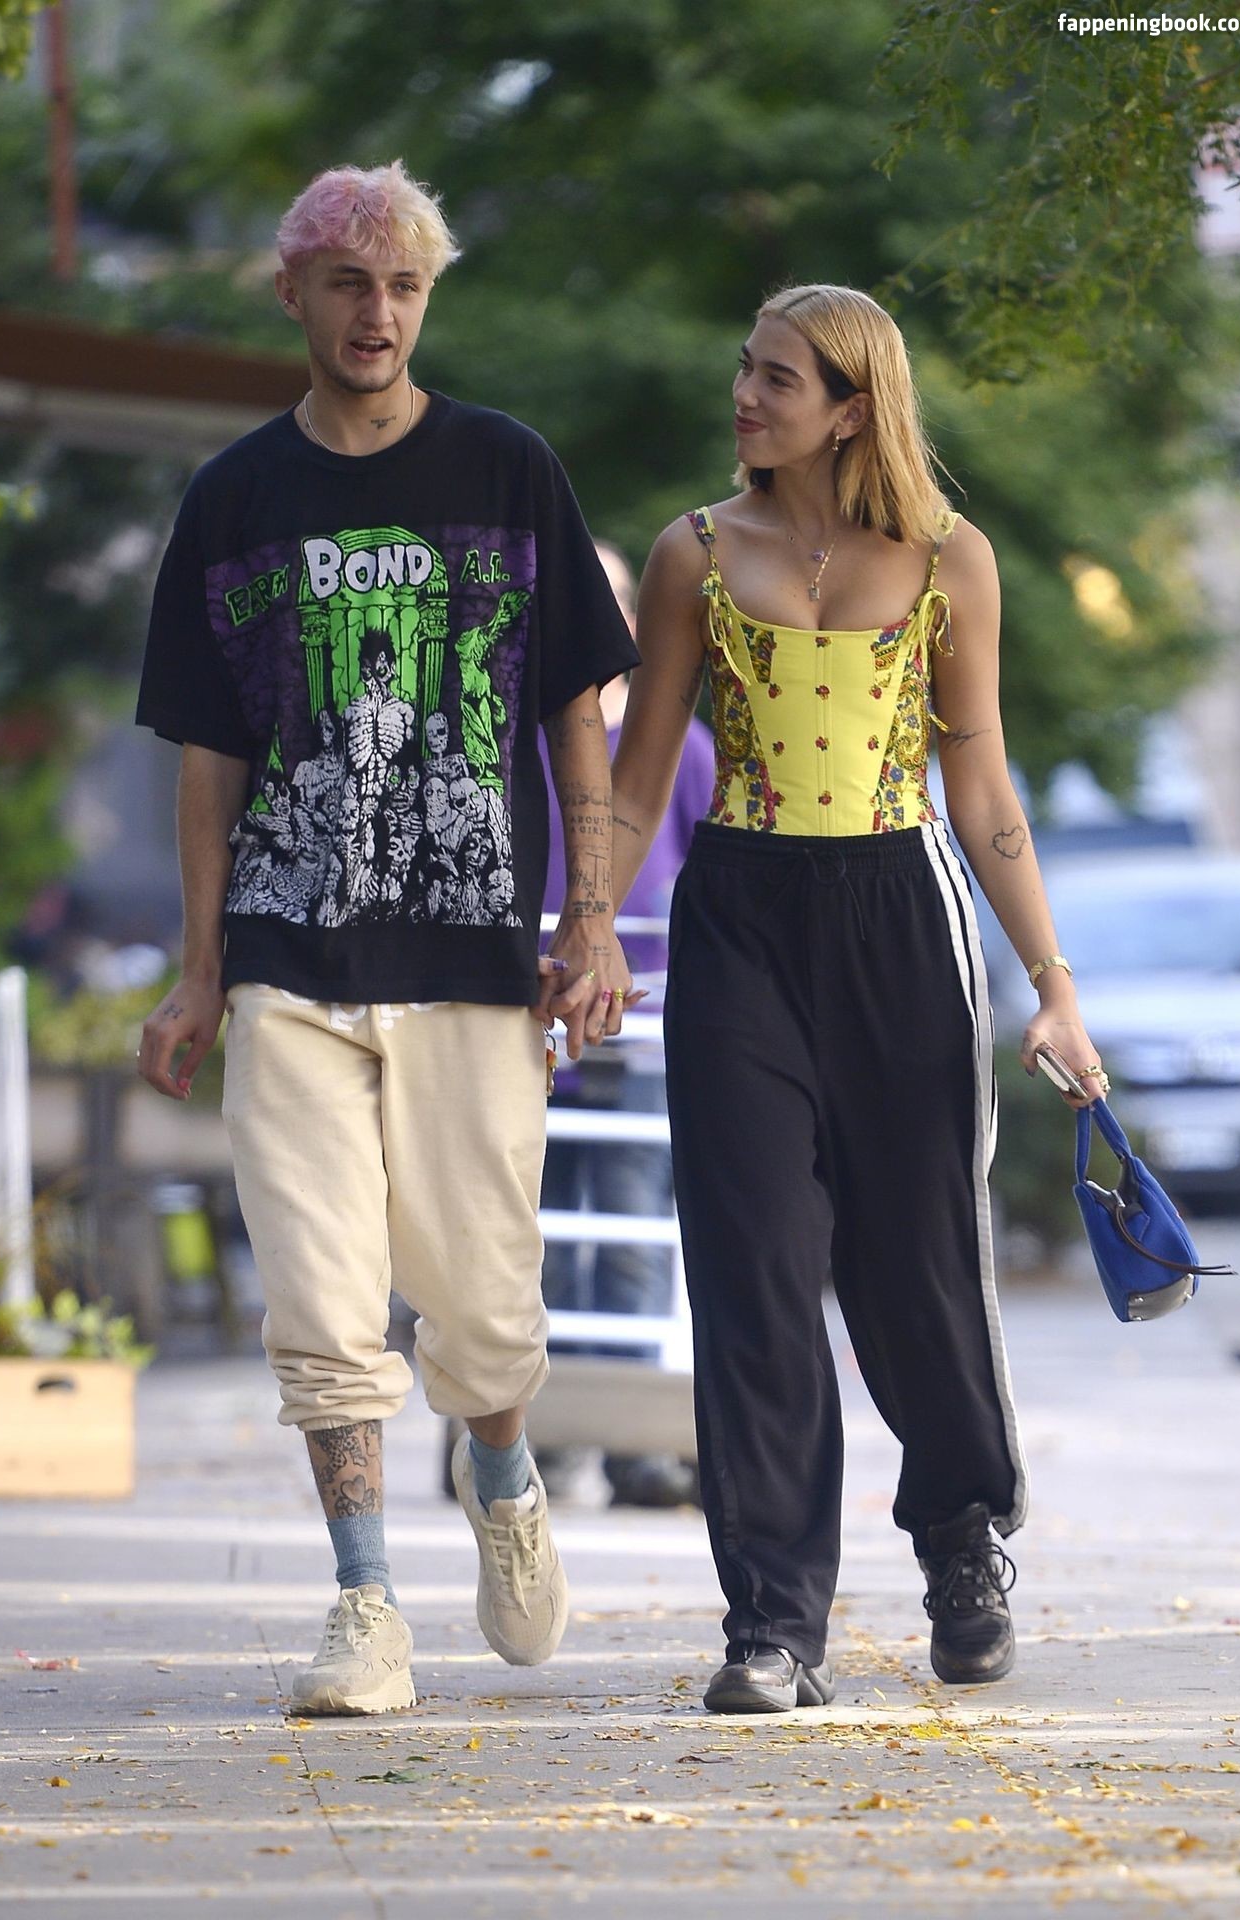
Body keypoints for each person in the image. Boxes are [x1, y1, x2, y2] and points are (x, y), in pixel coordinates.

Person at [134, 161, 639, 1716]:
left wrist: (592, 919)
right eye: (351, 284)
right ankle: (365, 1605)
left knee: (481, 1310)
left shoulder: (507, 469)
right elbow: (209, 765)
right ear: (293, 292)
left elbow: (577, 715)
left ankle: (502, 1477)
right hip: (289, 962)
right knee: (320, 1301)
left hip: (474, 961)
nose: (379, 314)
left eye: (406, 287)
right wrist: (202, 971)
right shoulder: (233, 498)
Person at [610, 284, 1108, 1714]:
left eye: (776, 378)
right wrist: (587, 930)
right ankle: (771, 1623)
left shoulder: (951, 558)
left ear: (849, 407)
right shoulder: (692, 553)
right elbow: (639, 784)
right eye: (745, 368)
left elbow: (983, 785)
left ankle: (959, 1538)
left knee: (915, 1265)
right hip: (739, 918)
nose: (743, 395)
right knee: (754, 1269)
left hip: (903, 912)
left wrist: (1053, 987)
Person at [537, 542, 713, 1508]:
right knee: (536, 1236)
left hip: (640, 1029)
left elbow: (704, 876)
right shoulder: (515, 743)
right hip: (533, 1028)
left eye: (607, 600)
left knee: (635, 1226)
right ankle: (549, 1434)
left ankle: (634, 1442)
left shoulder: (679, 747)